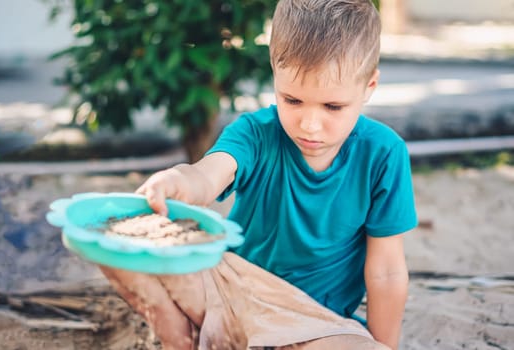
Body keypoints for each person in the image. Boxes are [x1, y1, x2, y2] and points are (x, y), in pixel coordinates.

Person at [99, 0, 417, 349]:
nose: (310, 124)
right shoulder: (254, 133)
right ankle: (183, 342)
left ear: (369, 86)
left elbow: (386, 271)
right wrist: (180, 179)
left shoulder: (384, 153)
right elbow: (208, 175)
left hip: (316, 323)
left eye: (332, 107)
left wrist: (384, 345)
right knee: (115, 248)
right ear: (275, 75)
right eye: (292, 100)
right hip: (232, 293)